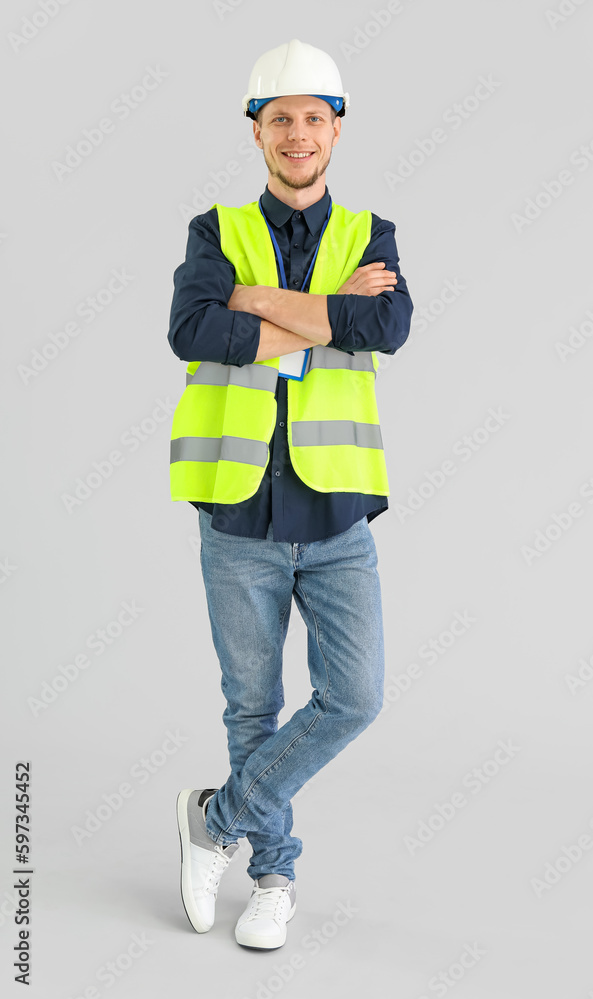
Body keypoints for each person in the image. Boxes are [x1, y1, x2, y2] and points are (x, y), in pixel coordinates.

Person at [168, 38, 413, 951]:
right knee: (251, 706)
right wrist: (320, 315)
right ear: (256, 132)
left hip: (337, 513)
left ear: (337, 131)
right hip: (237, 511)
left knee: (355, 695)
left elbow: (384, 323)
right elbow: (192, 330)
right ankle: (274, 875)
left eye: (316, 118)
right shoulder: (212, 229)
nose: (298, 135)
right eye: (282, 120)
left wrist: (252, 305)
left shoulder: (371, 235)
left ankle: (214, 818)